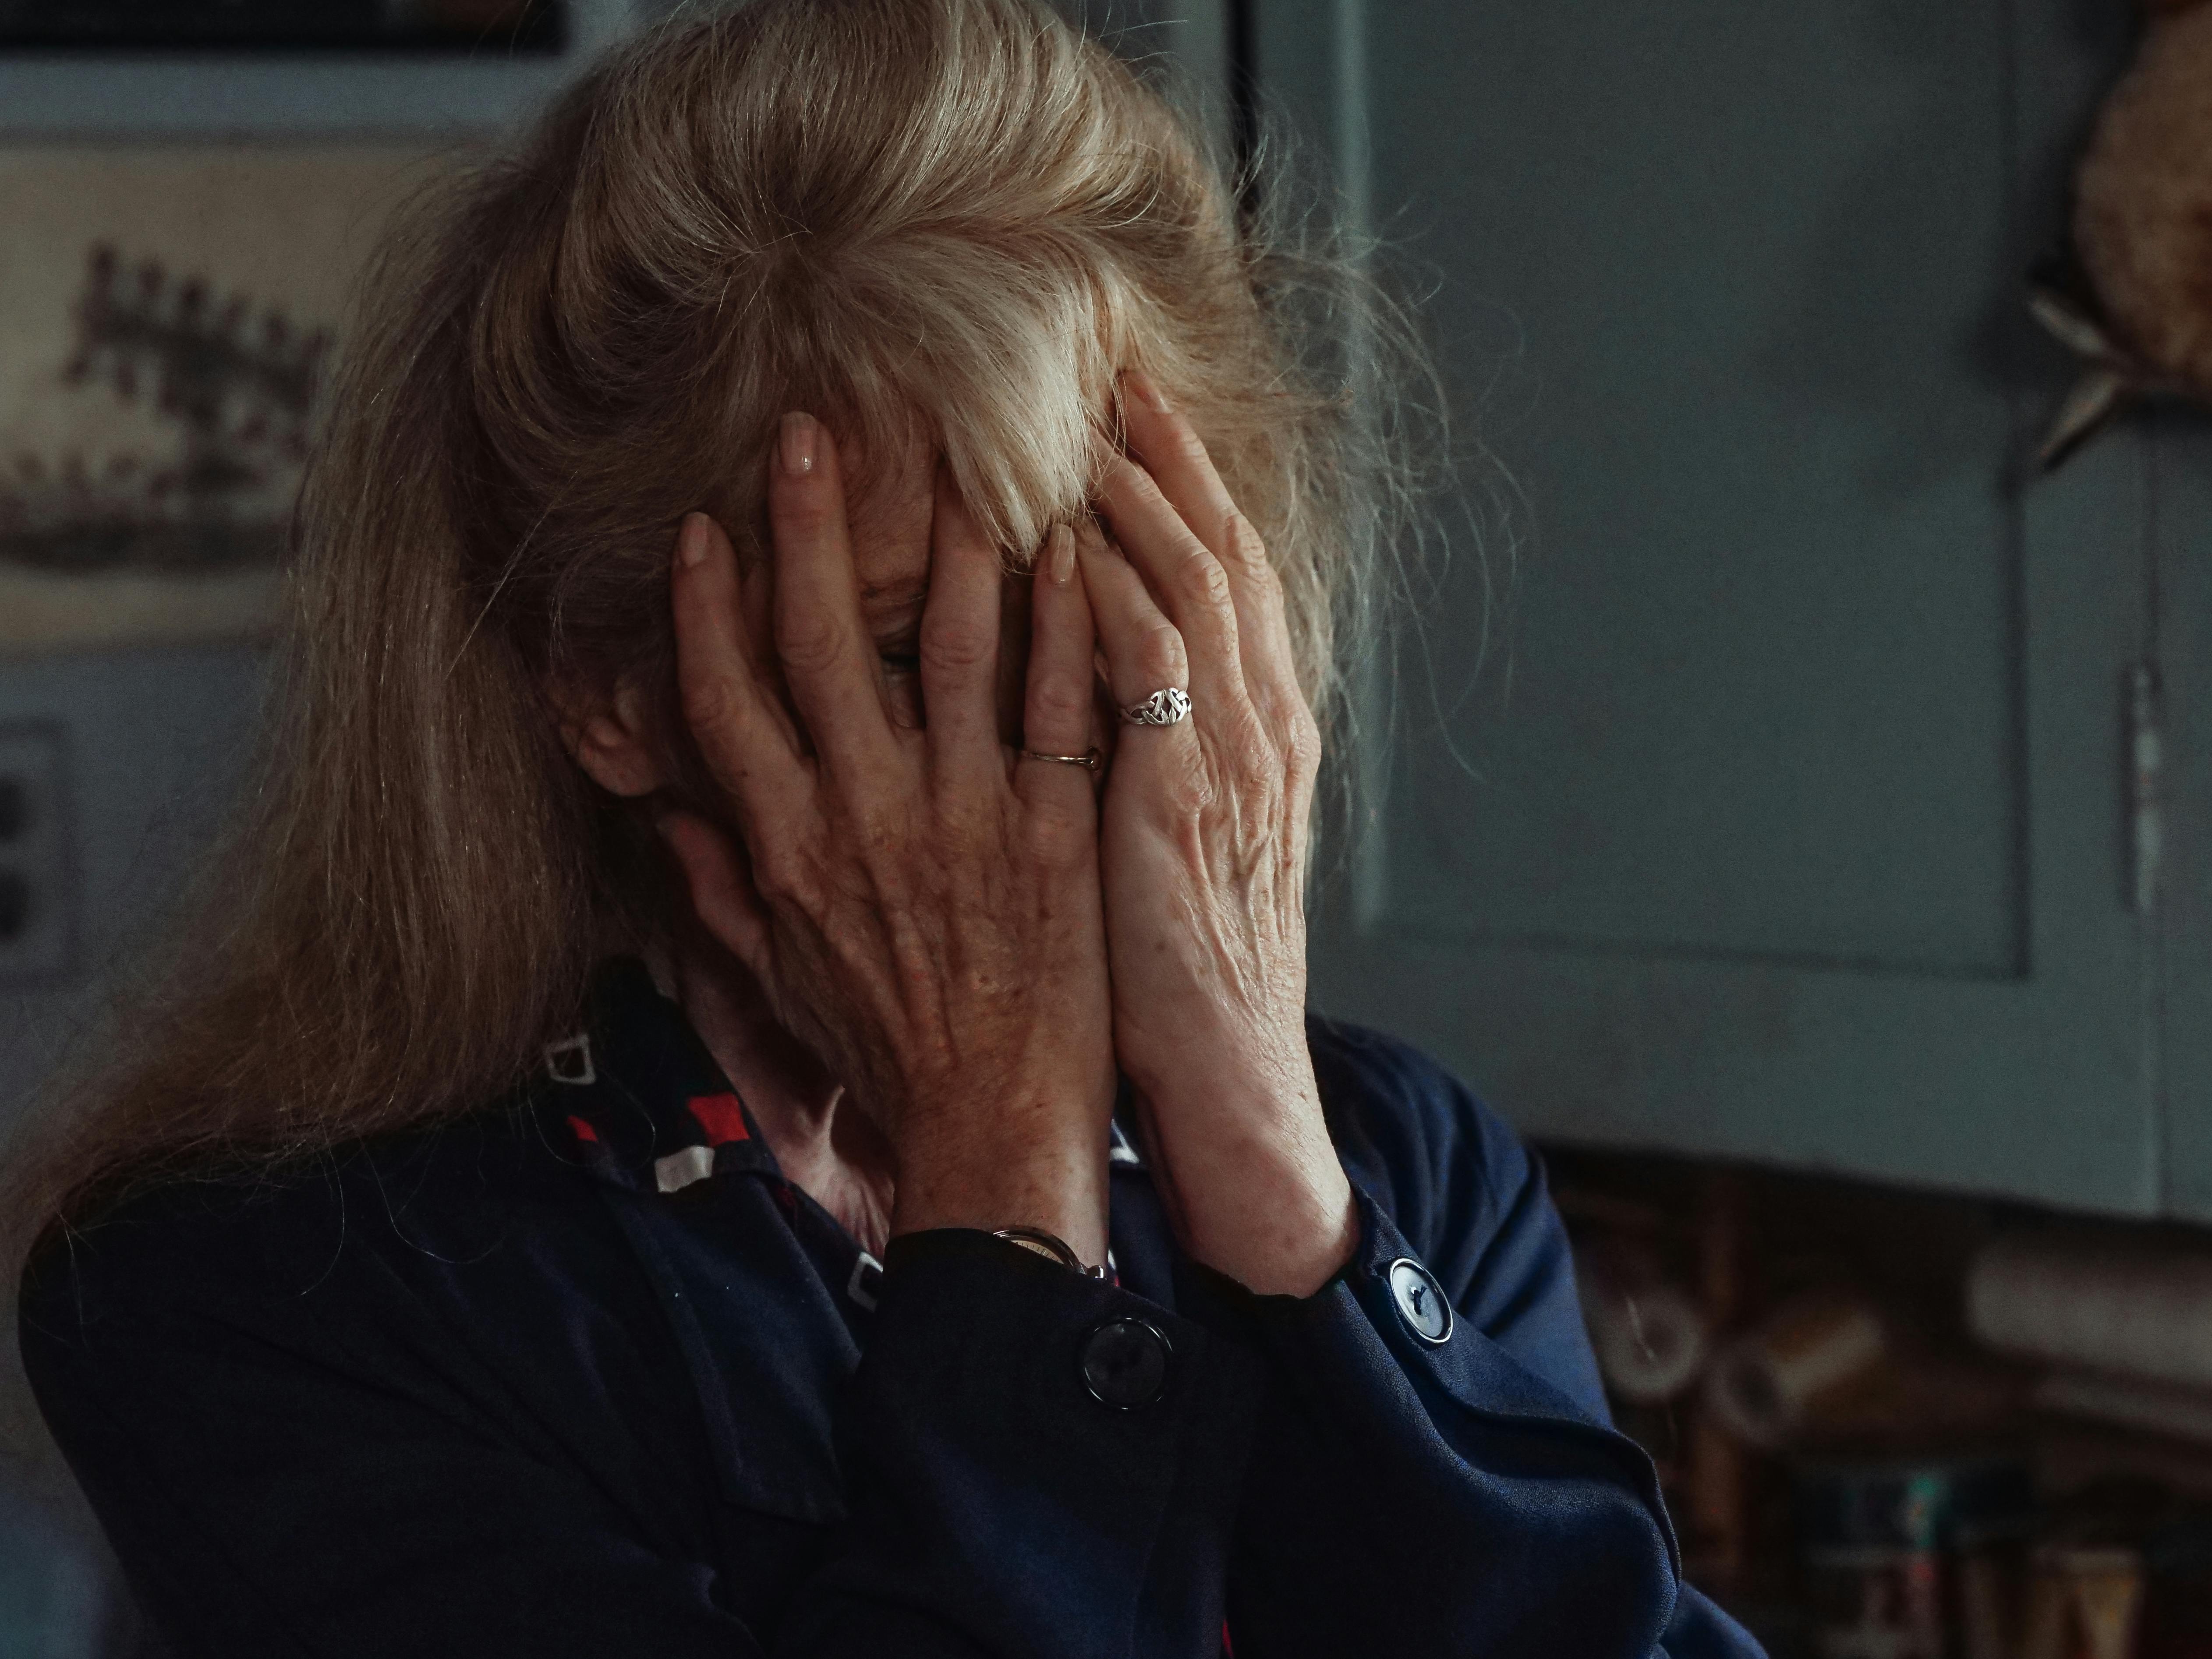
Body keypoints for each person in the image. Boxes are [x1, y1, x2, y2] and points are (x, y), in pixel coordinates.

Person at [11, 2, 1766, 1654]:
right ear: (610, 694)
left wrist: (1280, 1190)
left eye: (1117, 624)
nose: (1063, 750)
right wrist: (1001, 1176)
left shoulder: (1403, 1164)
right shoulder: (257, 1297)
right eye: (926, 654)